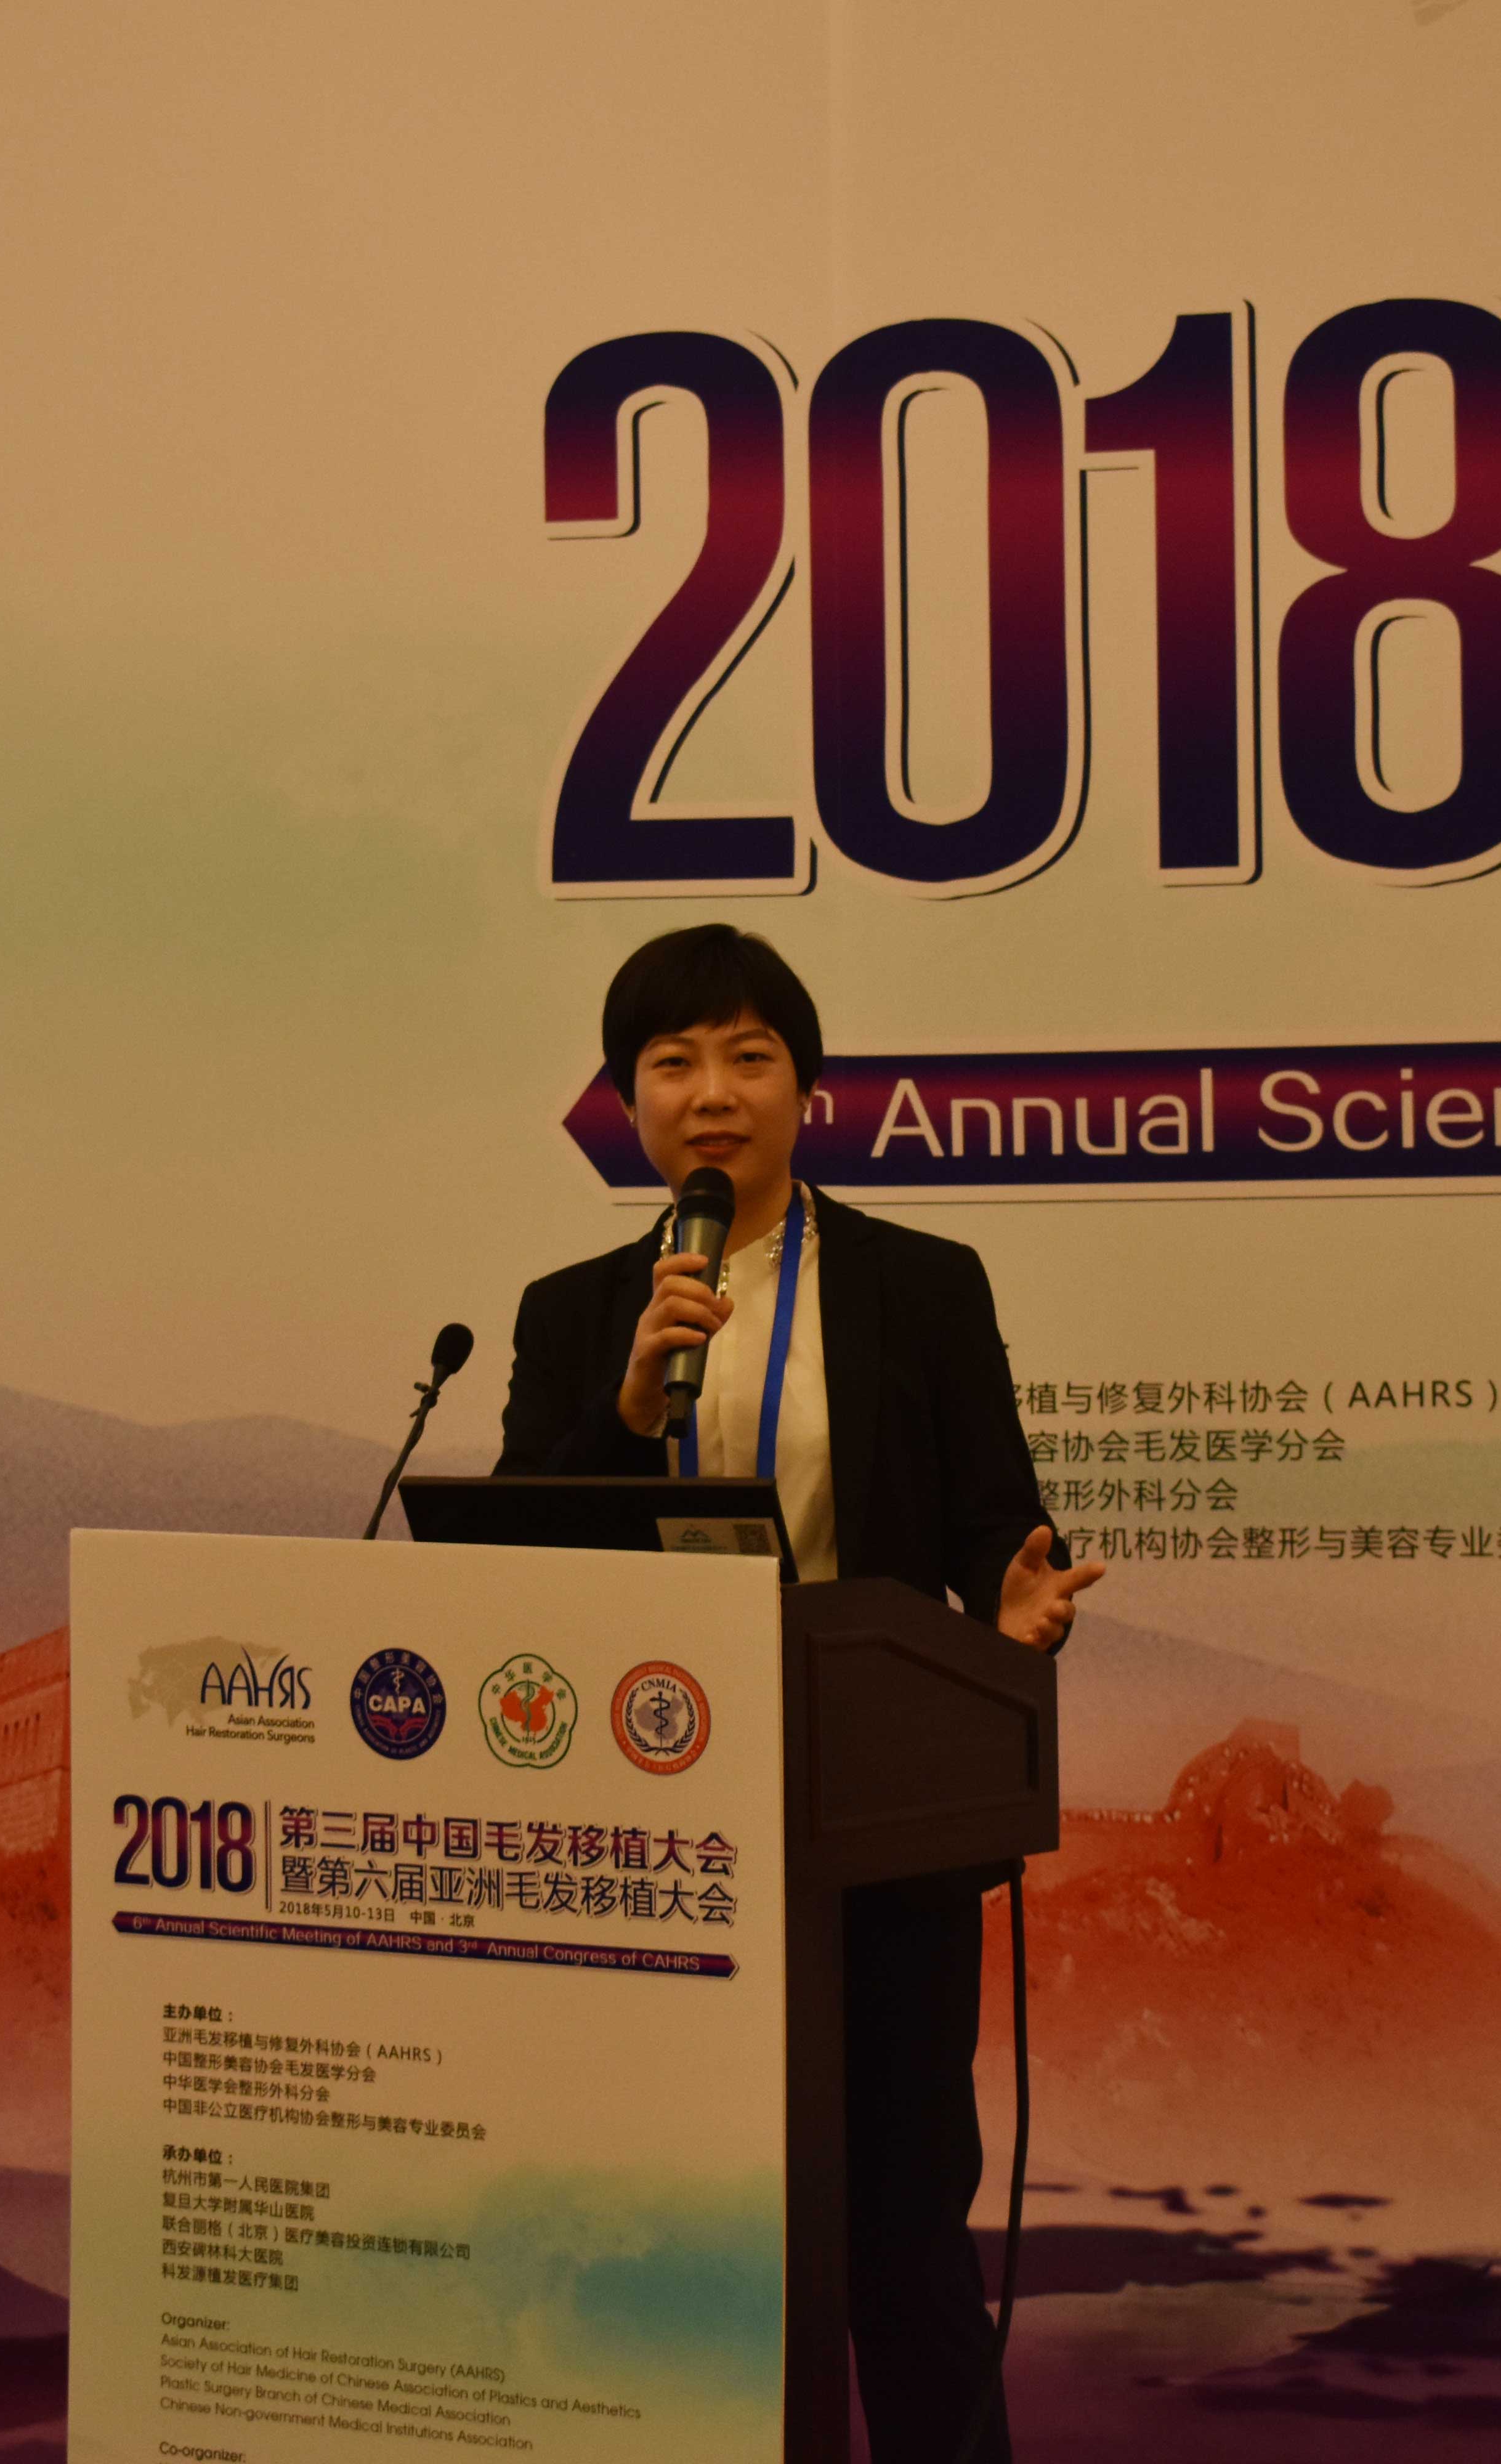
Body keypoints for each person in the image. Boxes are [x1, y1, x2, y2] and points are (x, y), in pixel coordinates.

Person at [498, 923, 1099, 2464]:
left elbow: (994, 1517)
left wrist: (1016, 1598)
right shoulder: (573, 1312)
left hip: (873, 1822)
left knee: (902, 2241)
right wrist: (624, 1408)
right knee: (667, 2239)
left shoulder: (921, 1283)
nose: (714, 1092)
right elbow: (512, 1563)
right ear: (626, 1099)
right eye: (674, 1062)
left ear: (805, 1087)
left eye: (750, 1056)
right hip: (642, 1841)